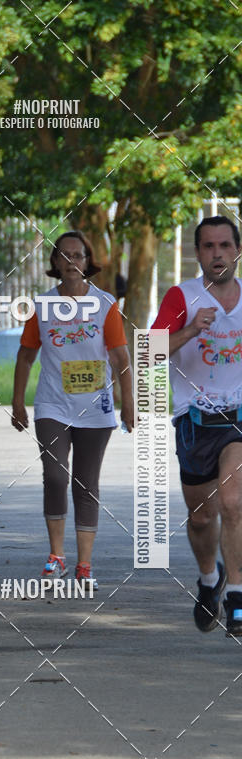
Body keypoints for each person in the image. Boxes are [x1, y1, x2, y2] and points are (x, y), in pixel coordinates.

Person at [11, 230, 134, 587]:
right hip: (52, 403)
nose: (71, 262)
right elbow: (26, 354)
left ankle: (84, 566)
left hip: (95, 407)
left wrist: (129, 402)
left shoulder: (105, 303)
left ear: (88, 261)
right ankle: (56, 556)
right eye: (64, 256)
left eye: (77, 255)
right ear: (54, 263)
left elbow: (120, 357)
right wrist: (18, 402)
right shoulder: (43, 305)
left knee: (85, 483)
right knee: (55, 476)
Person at [151, 214, 242, 636]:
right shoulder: (181, 296)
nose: (218, 253)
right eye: (209, 246)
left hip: (238, 420)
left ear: (237, 250)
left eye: (225, 245)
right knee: (202, 517)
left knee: (233, 501)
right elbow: (148, 354)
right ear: (197, 253)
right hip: (194, 420)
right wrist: (189, 330)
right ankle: (210, 579)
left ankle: (238, 598)